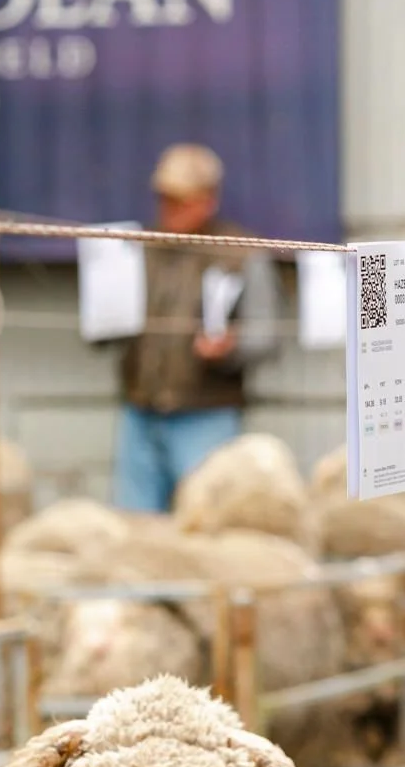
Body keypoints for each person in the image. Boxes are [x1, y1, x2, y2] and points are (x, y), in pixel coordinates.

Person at [109, 143, 280, 512]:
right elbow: (107, 331)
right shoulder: (138, 247)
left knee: (207, 520)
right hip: (140, 410)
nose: (170, 208)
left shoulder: (243, 251)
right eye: (165, 198)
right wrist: (106, 321)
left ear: (208, 199)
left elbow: (266, 336)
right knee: (135, 524)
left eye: (181, 199)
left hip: (207, 414)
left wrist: (229, 350)